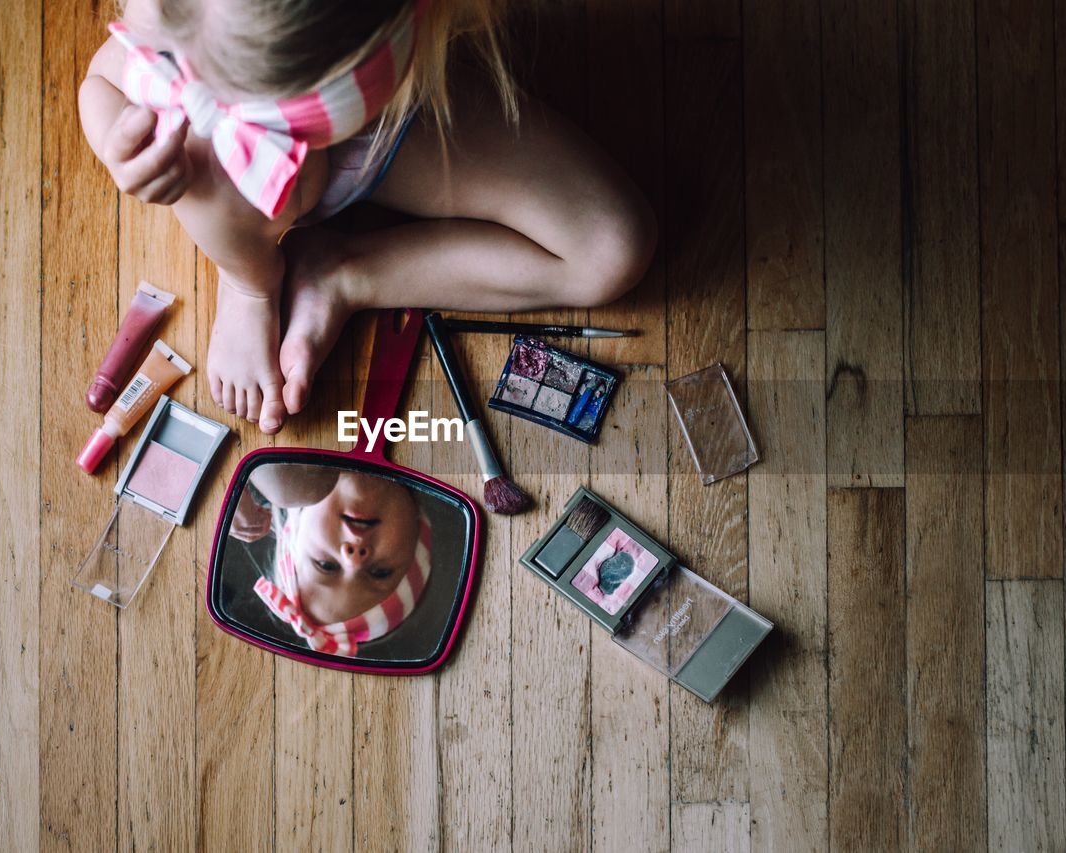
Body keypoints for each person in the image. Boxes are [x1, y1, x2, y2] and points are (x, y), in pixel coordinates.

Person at [78, 0, 656, 435]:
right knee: (199, 155)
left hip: (399, 119)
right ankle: (248, 280)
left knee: (612, 250)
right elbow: (103, 80)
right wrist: (117, 144)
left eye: (282, 121)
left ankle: (343, 273)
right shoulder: (175, 21)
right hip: (288, 138)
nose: (274, 151)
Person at [231, 464, 431, 656]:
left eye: (326, 565)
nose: (353, 559)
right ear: (415, 533)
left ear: (296, 525)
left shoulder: (278, 482)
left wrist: (234, 481)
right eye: (380, 572)